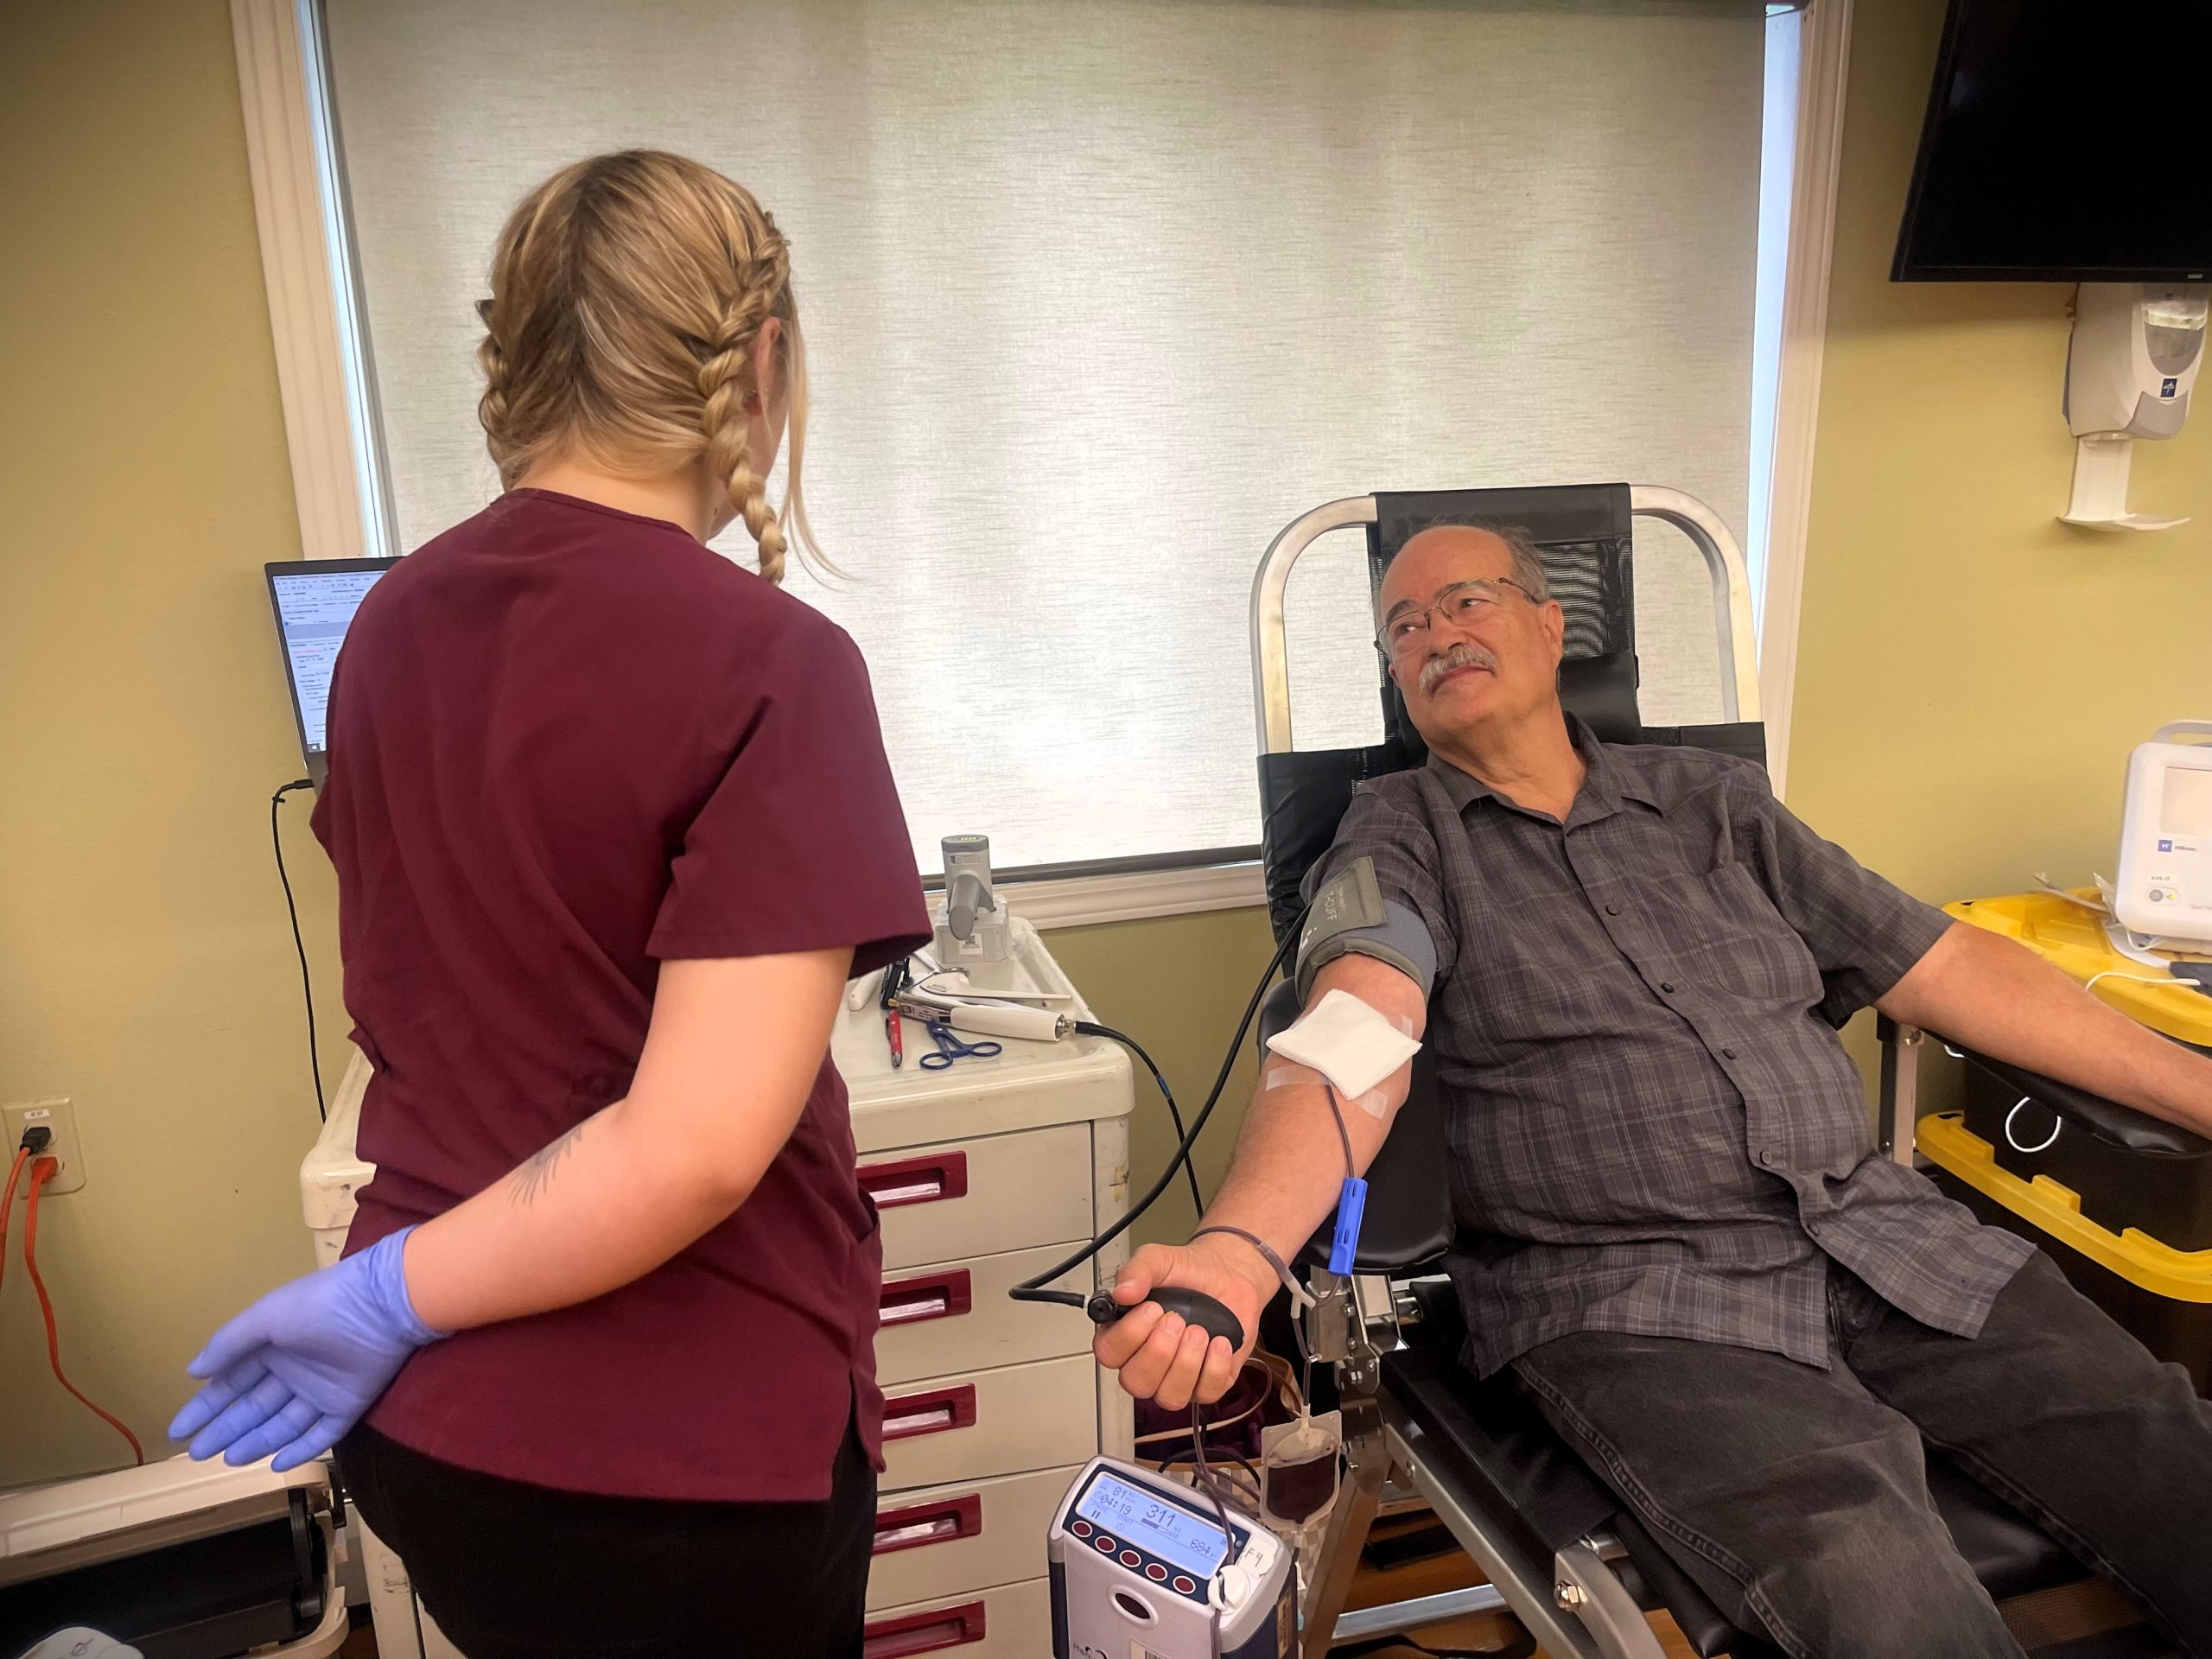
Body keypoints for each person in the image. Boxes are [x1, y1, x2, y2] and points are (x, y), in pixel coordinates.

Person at [1097, 521, 2212, 1658]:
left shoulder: (1715, 804)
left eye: (1468, 602)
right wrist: (1239, 1252)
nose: (1436, 635)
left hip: (1885, 1238)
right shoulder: (1393, 839)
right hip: (1636, 1300)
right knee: (1864, 1568)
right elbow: (1357, 1028)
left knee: (2171, 1455)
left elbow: (1947, 964)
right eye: (1405, 626)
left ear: (1550, 626)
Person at [169, 151, 930, 1659]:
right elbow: (698, 1149)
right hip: (674, 1472)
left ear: (514, 361)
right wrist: (384, 1294)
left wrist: (392, 1302)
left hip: (439, 1440)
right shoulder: (770, 660)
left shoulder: (386, 626)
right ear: (761, 362)